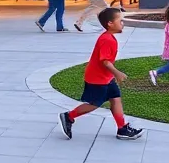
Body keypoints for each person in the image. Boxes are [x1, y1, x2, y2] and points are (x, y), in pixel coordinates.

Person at [58, 8, 143, 141]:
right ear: (110, 23)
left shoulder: (109, 38)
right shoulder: (107, 39)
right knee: (94, 104)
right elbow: (105, 61)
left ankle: (122, 129)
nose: (122, 23)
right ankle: (69, 117)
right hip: (97, 79)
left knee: (115, 98)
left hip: (106, 78)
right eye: (120, 20)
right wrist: (117, 73)